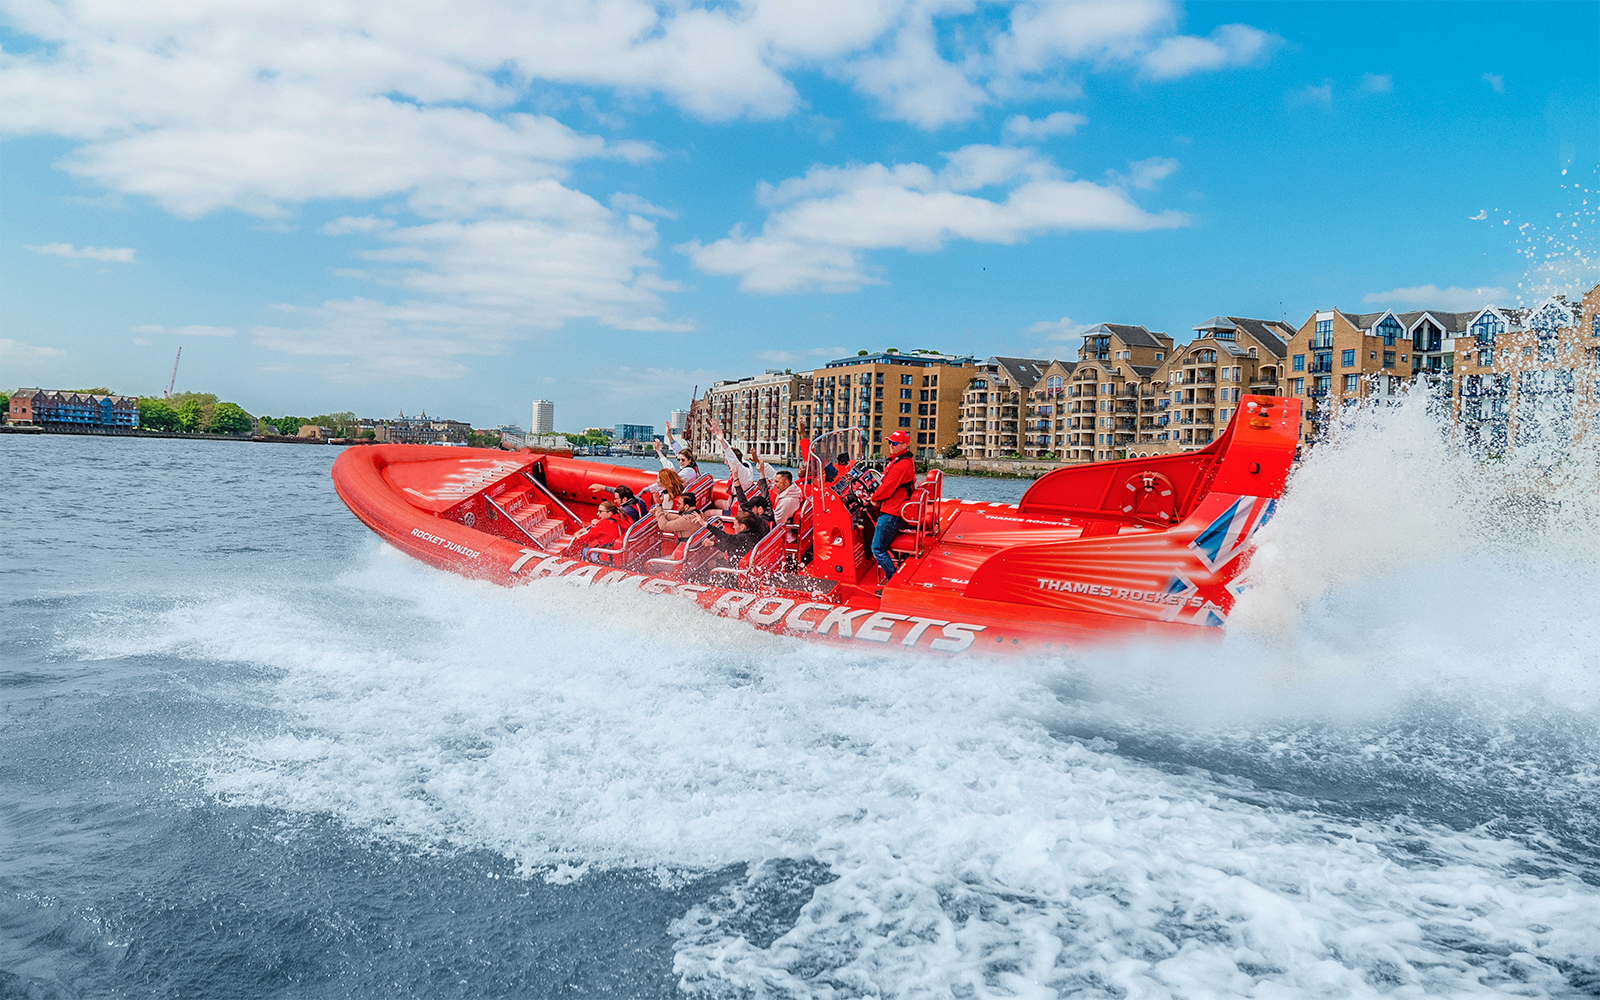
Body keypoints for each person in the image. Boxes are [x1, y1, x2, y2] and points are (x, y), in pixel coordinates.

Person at [869, 430, 917, 582]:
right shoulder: (904, 461)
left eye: (894, 443)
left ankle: (893, 581)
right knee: (882, 543)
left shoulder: (900, 466)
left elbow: (886, 488)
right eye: (890, 442)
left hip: (892, 512)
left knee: (877, 548)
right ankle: (898, 571)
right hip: (897, 509)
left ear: (904, 445)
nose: (891, 445)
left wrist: (874, 498)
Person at [700, 510, 768, 563]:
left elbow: (726, 538)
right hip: (743, 560)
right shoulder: (757, 532)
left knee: (711, 563)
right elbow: (729, 545)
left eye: (735, 525)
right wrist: (713, 544)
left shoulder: (743, 539)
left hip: (734, 571)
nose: (733, 527)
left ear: (742, 527)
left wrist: (706, 525)